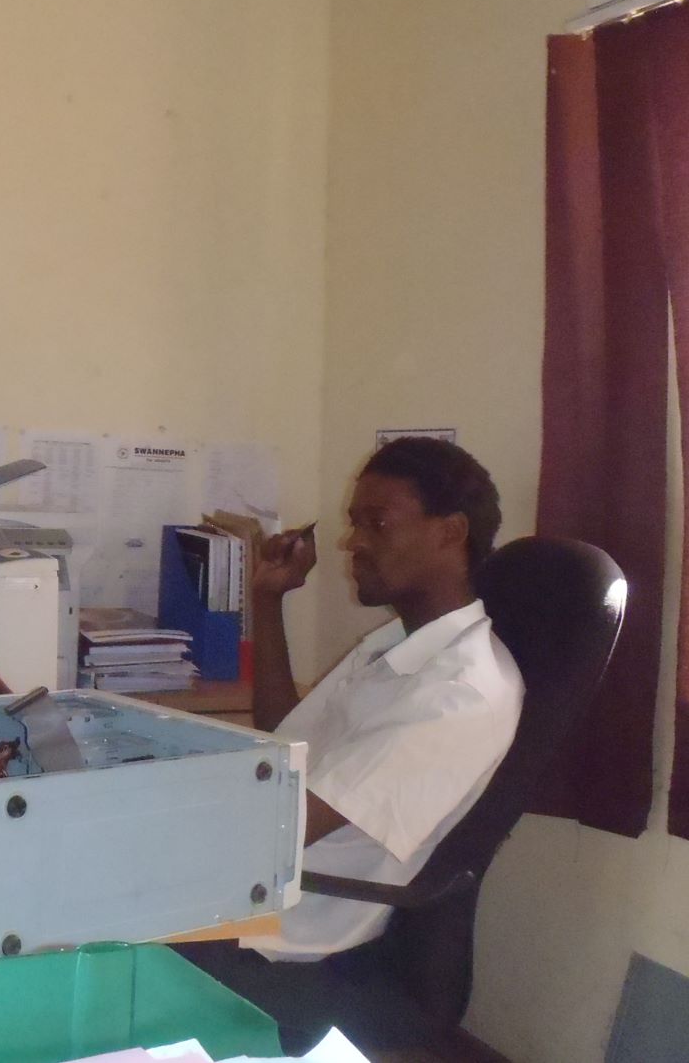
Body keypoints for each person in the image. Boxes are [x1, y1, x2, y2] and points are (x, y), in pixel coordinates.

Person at [175, 437, 524, 1045]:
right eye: (354, 522)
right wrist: (267, 598)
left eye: (378, 523)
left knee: (49, 916)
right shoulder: (395, 646)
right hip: (252, 883)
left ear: (451, 532)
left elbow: (281, 826)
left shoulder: (460, 690)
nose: (353, 542)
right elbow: (288, 739)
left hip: (284, 927)